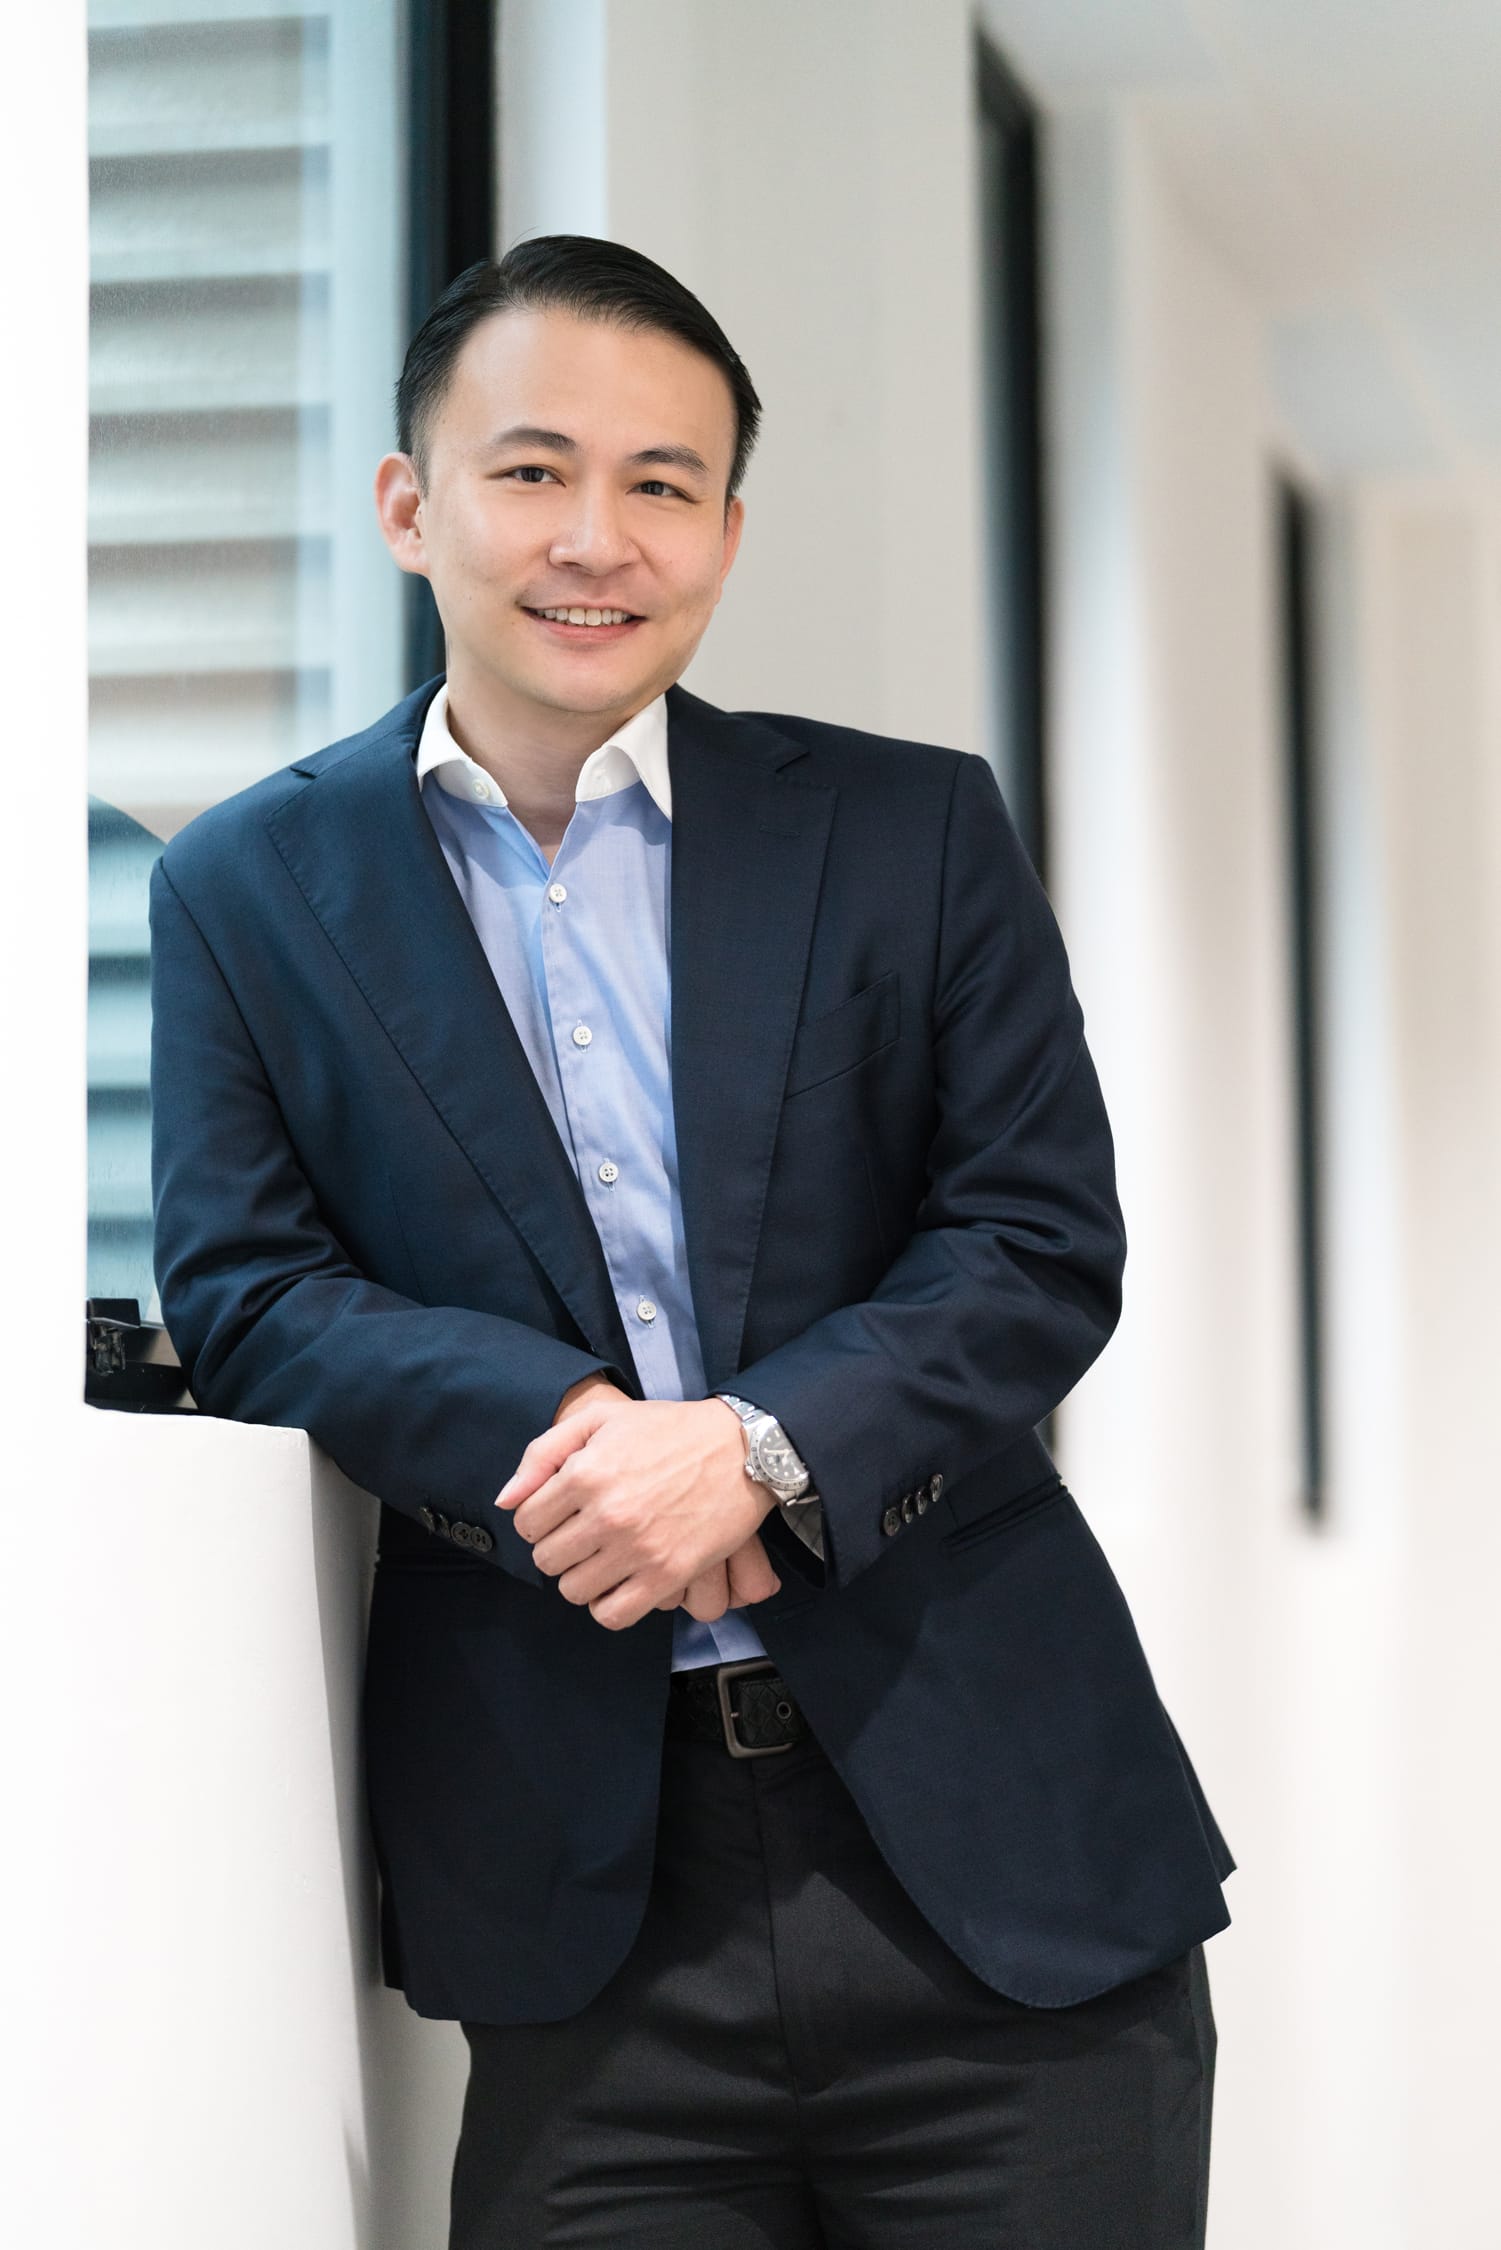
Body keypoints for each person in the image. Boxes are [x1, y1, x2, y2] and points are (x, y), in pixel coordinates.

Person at [149, 234, 1234, 2248]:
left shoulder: (908, 833)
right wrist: (574, 1429)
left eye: (663, 484)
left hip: (994, 1872)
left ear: (726, 533)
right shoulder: (245, 888)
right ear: (409, 503)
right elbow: (243, 1290)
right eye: (532, 469)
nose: (597, 537)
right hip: (579, 1914)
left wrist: (750, 1447)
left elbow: (1033, 1237)